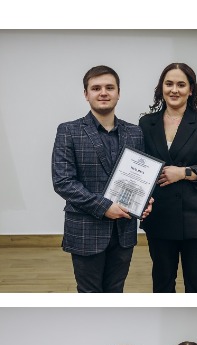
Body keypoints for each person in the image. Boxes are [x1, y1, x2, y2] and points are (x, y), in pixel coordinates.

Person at [52, 65, 152, 293]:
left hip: (124, 229)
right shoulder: (69, 131)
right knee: (89, 295)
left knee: (116, 292)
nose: (103, 92)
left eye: (109, 87)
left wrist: (146, 200)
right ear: (86, 94)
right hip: (86, 229)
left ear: (118, 93)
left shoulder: (135, 133)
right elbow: (63, 181)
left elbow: (141, 178)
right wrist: (104, 207)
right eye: (96, 88)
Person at [139, 63, 197, 293]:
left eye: (181, 84)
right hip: (159, 216)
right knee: (162, 283)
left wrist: (183, 172)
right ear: (161, 87)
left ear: (191, 89)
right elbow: (140, 167)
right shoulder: (146, 123)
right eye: (169, 84)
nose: (174, 90)